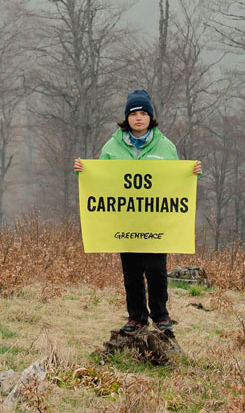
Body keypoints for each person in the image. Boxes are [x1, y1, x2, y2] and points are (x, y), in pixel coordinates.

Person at [74, 88, 201, 334]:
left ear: (151, 117)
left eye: (143, 113)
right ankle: (136, 318)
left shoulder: (165, 147)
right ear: (127, 118)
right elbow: (102, 179)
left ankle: (161, 316)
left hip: (155, 222)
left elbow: (177, 180)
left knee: (156, 270)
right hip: (125, 222)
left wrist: (194, 172)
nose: (139, 118)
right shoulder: (112, 146)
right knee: (131, 271)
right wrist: (84, 170)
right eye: (134, 114)